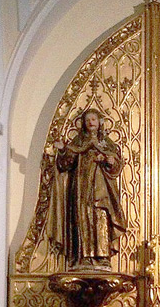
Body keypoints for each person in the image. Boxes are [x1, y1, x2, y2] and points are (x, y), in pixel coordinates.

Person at [45, 108, 125, 270]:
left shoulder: (107, 144)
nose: (90, 122)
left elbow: (116, 167)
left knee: (100, 217)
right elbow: (66, 164)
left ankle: (102, 256)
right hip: (81, 188)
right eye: (87, 119)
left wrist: (109, 161)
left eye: (94, 119)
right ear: (83, 123)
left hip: (102, 189)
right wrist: (62, 151)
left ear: (100, 122)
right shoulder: (78, 143)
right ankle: (83, 256)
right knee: (82, 219)